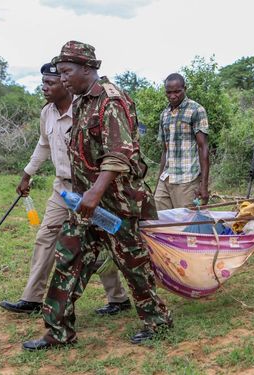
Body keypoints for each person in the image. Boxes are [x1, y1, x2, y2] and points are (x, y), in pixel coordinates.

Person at [22, 41, 171, 350]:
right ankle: (58, 331)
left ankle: (156, 320)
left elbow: (119, 155)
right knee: (68, 258)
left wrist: (94, 192)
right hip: (86, 204)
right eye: (60, 73)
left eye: (66, 72)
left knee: (134, 266)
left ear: (87, 69)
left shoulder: (111, 101)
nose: (62, 79)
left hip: (118, 204)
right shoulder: (80, 103)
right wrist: (81, 196)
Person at [0, 63, 131, 317]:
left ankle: (118, 299)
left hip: (91, 189)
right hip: (61, 189)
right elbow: (43, 145)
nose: (44, 88)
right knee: (45, 237)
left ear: (64, 82)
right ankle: (32, 298)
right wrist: (27, 174)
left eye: (50, 83)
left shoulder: (85, 109)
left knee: (101, 242)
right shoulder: (46, 113)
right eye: (43, 83)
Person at [155, 73, 210, 209]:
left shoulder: (196, 110)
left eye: (177, 91)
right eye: (169, 92)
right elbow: (165, 150)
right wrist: (158, 182)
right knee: (159, 219)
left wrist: (203, 185)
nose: (172, 96)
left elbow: (203, 148)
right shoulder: (164, 114)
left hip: (187, 179)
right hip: (166, 178)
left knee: (185, 223)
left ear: (184, 88)